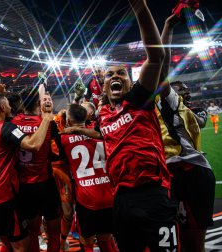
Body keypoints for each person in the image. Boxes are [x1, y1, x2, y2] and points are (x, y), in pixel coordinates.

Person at [62, 0, 179, 251]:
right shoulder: (103, 115)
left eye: (121, 73)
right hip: (122, 201)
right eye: (109, 75)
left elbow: (157, 56)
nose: (115, 76)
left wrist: (139, 7)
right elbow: (102, 133)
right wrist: (78, 129)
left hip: (153, 195)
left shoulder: (139, 100)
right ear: (103, 86)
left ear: (129, 81)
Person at [156, 13, 215, 252]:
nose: (186, 93)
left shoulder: (173, 103)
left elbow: (160, 64)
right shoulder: (170, 106)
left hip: (187, 172)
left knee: (190, 242)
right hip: (177, 172)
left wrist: (167, 25)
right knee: (179, 241)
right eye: (183, 90)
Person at [0, 93, 54, 252]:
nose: (12, 107)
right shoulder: (7, 127)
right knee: (21, 246)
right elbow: (33, 145)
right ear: (2, 108)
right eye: (8, 104)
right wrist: (46, 118)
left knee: (8, 244)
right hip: (5, 198)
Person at [58, 104, 117, 251]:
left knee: (87, 242)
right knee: (106, 240)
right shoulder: (101, 134)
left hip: (87, 199)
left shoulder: (63, 139)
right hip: (109, 195)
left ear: (69, 121)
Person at [11, 89, 61, 252]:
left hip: (25, 187)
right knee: (54, 230)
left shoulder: (12, 123)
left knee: (33, 231)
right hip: (46, 184)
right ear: (38, 103)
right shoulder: (47, 122)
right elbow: (56, 152)